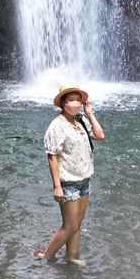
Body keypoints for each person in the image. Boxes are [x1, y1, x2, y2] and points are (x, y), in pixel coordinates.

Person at [35, 84, 105, 264]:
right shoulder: (56, 126)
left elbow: (99, 135)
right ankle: (46, 255)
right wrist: (57, 187)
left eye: (78, 100)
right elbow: (52, 157)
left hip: (84, 179)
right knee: (70, 225)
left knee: (77, 224)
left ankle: (71, 257)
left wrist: (89, 113)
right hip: (69, 182)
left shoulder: (80, 120)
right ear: (63, 103)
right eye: (71, 100)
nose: (75, 103)